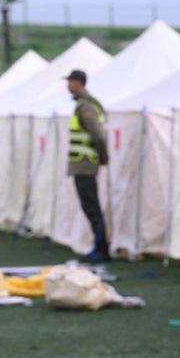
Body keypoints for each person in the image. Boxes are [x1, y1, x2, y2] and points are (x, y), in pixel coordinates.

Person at [65, 69, 110, 263]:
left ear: (78, 83)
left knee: (91, 206)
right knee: (89, 206)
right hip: (82, 163)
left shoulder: (86, 107)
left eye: (70, 82)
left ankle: (101, 249)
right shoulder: (83, 105)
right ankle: (99, 246)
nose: (67, 86)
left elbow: (98, 135)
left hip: (85, 163)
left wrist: (103, 157)